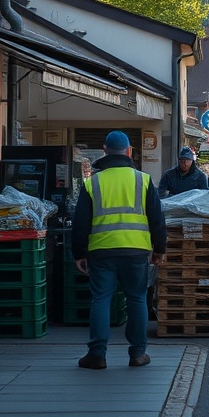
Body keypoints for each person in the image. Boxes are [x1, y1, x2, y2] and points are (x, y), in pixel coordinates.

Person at [71, 130, 167, 370]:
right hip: (136, 250)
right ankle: (138, 353)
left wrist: (79, 253)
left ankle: (97, 355)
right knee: (136, 299)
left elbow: (80, 222)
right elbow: (157, 219)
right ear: (128, 151)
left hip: (101, 251)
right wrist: (159, 249)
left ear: (105, 150)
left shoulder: (93, 182)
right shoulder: (143, 180)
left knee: (101, 300)